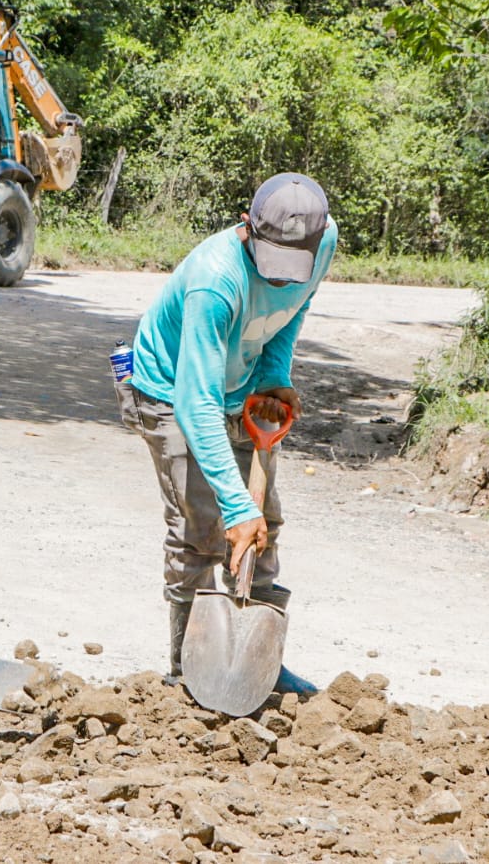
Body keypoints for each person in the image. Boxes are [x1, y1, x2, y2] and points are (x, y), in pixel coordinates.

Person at [114, 173, 337, 695]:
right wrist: (235, 508)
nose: (281, 279)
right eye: (271, 266)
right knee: (201, 530)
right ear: (247, 229)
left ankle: (258, 664)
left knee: (265, 522)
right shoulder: (216, 280)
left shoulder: (321, 243)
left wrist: (275, 376)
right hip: (172, 391)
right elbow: (196, 402)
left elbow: (291, 310)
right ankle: (187, 671)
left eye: (293, 268)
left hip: (244, 381)